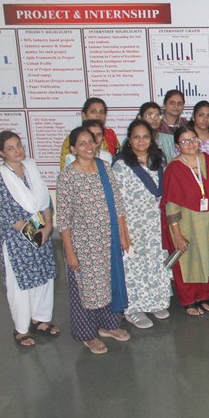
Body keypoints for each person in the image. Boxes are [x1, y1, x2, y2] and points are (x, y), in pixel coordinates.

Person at [57, 126, 131, 354]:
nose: (89, 146)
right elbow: (63, 220)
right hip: (83, 245)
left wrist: (123, 235)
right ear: (73, 149)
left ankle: (109, 325)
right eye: (82, 143)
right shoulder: (68, 177)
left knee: (109, 283)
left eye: (91, 141)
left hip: (108, 241)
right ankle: (87, 335)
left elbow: (118, 205)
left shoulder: (104, 168)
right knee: (87, 290)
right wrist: (70, 253)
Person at [0, 131, 58, 347]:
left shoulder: (31, 168)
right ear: (1, 153)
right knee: (20, 284)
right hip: (17, 238)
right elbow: (7, 213)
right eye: (10, 148)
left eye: (18, 145)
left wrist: (48, 226)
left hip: (41, 230)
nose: (17, 150)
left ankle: (40, 319)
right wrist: (35, 234)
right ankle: (21, 329)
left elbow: (45, 201)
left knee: (43, 277)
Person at [111, 120, 172, 328]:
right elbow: (117, 202)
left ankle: (155, 302)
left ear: (151, 139)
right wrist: (123, 232)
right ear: (129, 140)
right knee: (134, 266)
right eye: (136, 137)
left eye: (145, 136)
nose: (141, 141)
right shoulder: (121, 165)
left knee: (156, 262)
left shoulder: (158, 161)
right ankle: (134, 309)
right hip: (133, 225)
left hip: (155, 224)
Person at [162, 124, 209, 317]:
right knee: (187, 261)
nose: (190, 144)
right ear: (177, 145)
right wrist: (177, 234)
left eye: (193, 139)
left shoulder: (207, 161)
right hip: (185, 223)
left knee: (206, 257)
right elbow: (170, 205)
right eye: (184, 141)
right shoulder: (174, 168)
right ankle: (188, 300)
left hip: (208, 222)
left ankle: (204, 296)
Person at [58, 97, 118, 168]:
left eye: (101, 112)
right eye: (93, 111)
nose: (98, 115)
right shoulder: (73, 138)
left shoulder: (110, 135)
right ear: (84, 116)